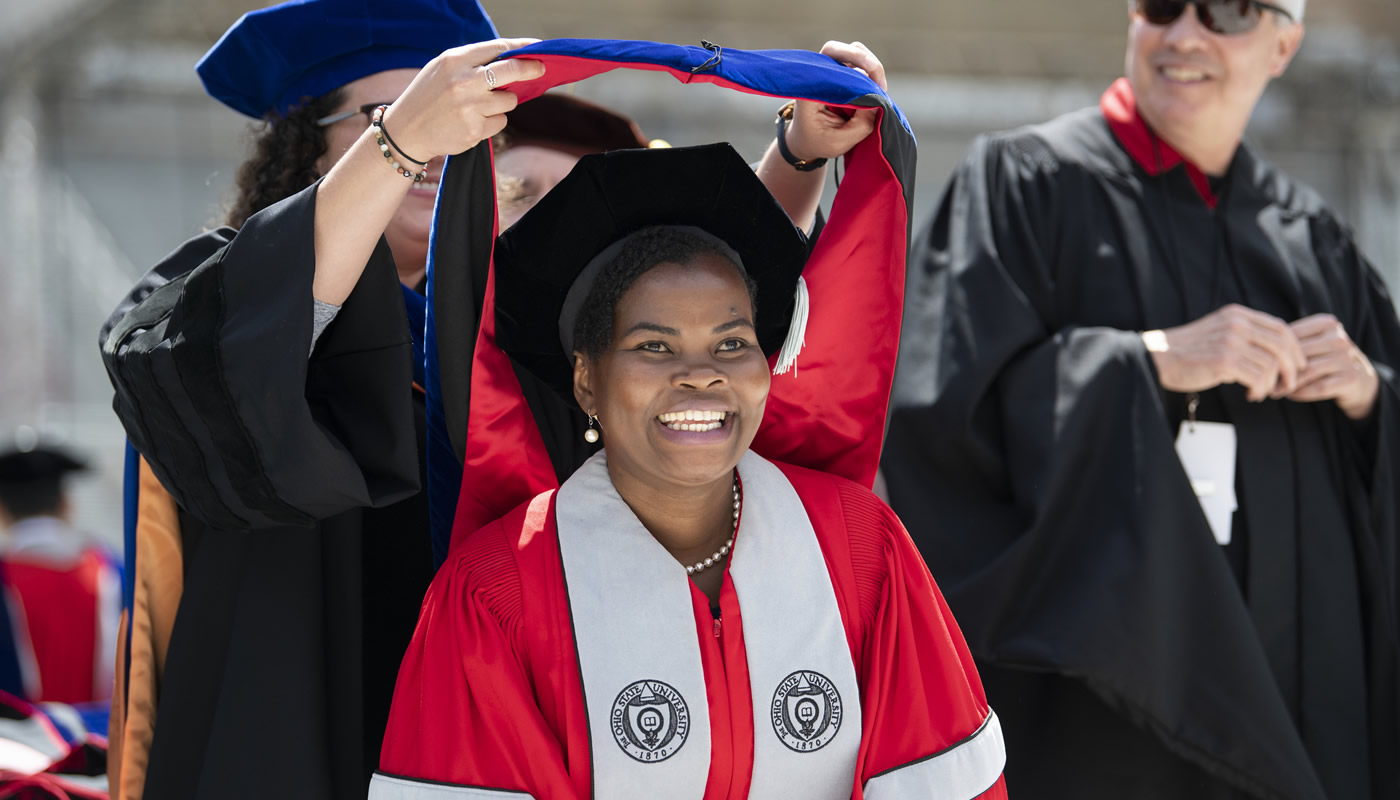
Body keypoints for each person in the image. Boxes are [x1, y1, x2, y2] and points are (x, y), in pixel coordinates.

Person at [98, 0, 896, 796]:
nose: (437, 143)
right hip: (291, 731)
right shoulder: (215, 296)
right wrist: (402, 141)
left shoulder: (504, 324)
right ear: (309, 152)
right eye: (388, 112)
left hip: (508, 746)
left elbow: (692, 307)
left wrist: (799, 156)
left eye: (459, 117)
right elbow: (235, 366)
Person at [372, 143, 1007, 800]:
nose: (702, 373)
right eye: (654, 346)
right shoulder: (496, 592)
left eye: (733, 343)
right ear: (588, 380)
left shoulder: (859, 545)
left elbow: (944, 778)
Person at [882, 0, 1400, 798]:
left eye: (1226, 11)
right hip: (1103, 731)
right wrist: (1148, 361)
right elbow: (937, 419)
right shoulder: (1025, 189)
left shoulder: (1315, 241)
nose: (1185, 35)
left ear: (1283, 43)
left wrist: (1372, 402)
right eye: (1162, 6)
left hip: (1302, 720)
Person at [0, 444, 119, 708]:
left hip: (15, 744)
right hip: (103, 742)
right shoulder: (111, 571)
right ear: (66, 504)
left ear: (2, 510)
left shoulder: (5, 577)